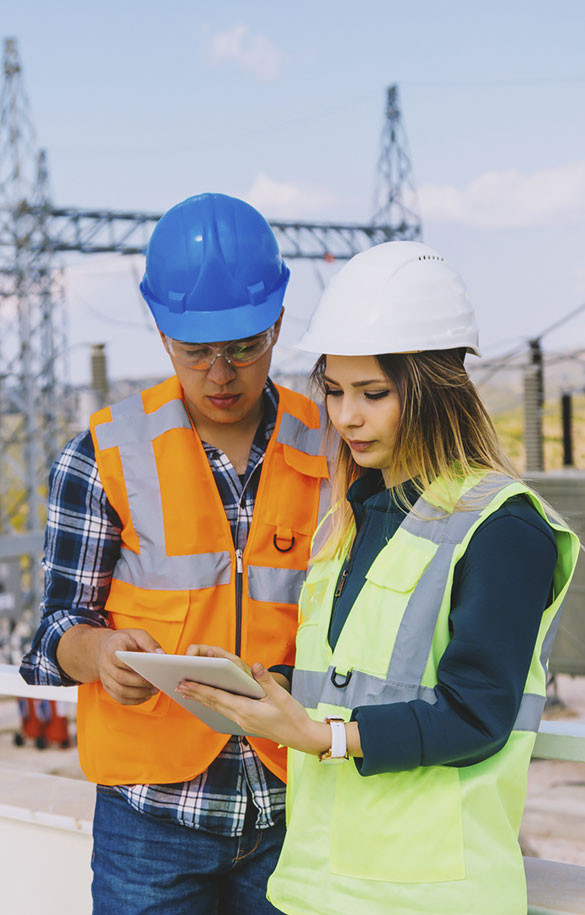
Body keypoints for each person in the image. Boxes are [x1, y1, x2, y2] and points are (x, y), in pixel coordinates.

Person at [177, 241, 580, 915]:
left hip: (428, 898)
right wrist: (265, 687)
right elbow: (349, 679)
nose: (344, 417)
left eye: (372, 394)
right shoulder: (351, 519)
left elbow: (477, 713)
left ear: (431, 391)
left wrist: (319, 735)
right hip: (315, 887)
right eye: (332, 390)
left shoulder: (501, 526)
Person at [20, 192, 330, 914]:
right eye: (197, 351)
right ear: (163, 335)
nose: (220, 372)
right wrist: (99, 655)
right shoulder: (100, 457)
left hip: (298, 807)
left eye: (243, 346)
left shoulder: (331, 448)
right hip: (150, 823)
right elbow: (55, 630)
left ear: (278, 324)